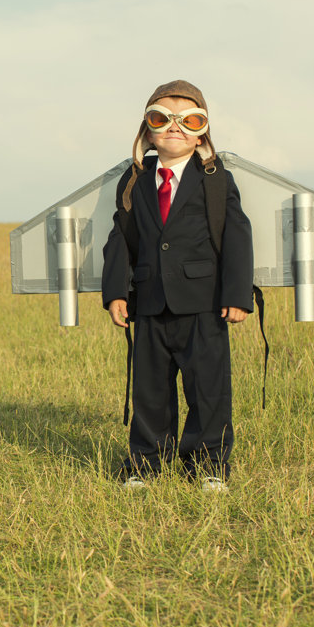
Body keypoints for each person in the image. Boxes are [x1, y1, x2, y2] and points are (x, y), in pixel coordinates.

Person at [101, 80, 254, 492]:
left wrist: (237, 296)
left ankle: (207, 465)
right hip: (149, 301)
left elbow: (237, 235)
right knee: (150, 390)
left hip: (204, 304)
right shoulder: (134, 180)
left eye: (188, 120)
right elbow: (121, 235)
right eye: (161, 118)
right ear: (147, 130)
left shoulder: (215, 179)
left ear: (202, 131)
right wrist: (116, 291)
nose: (174, 128)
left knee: (208, 387)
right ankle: (144, 464)